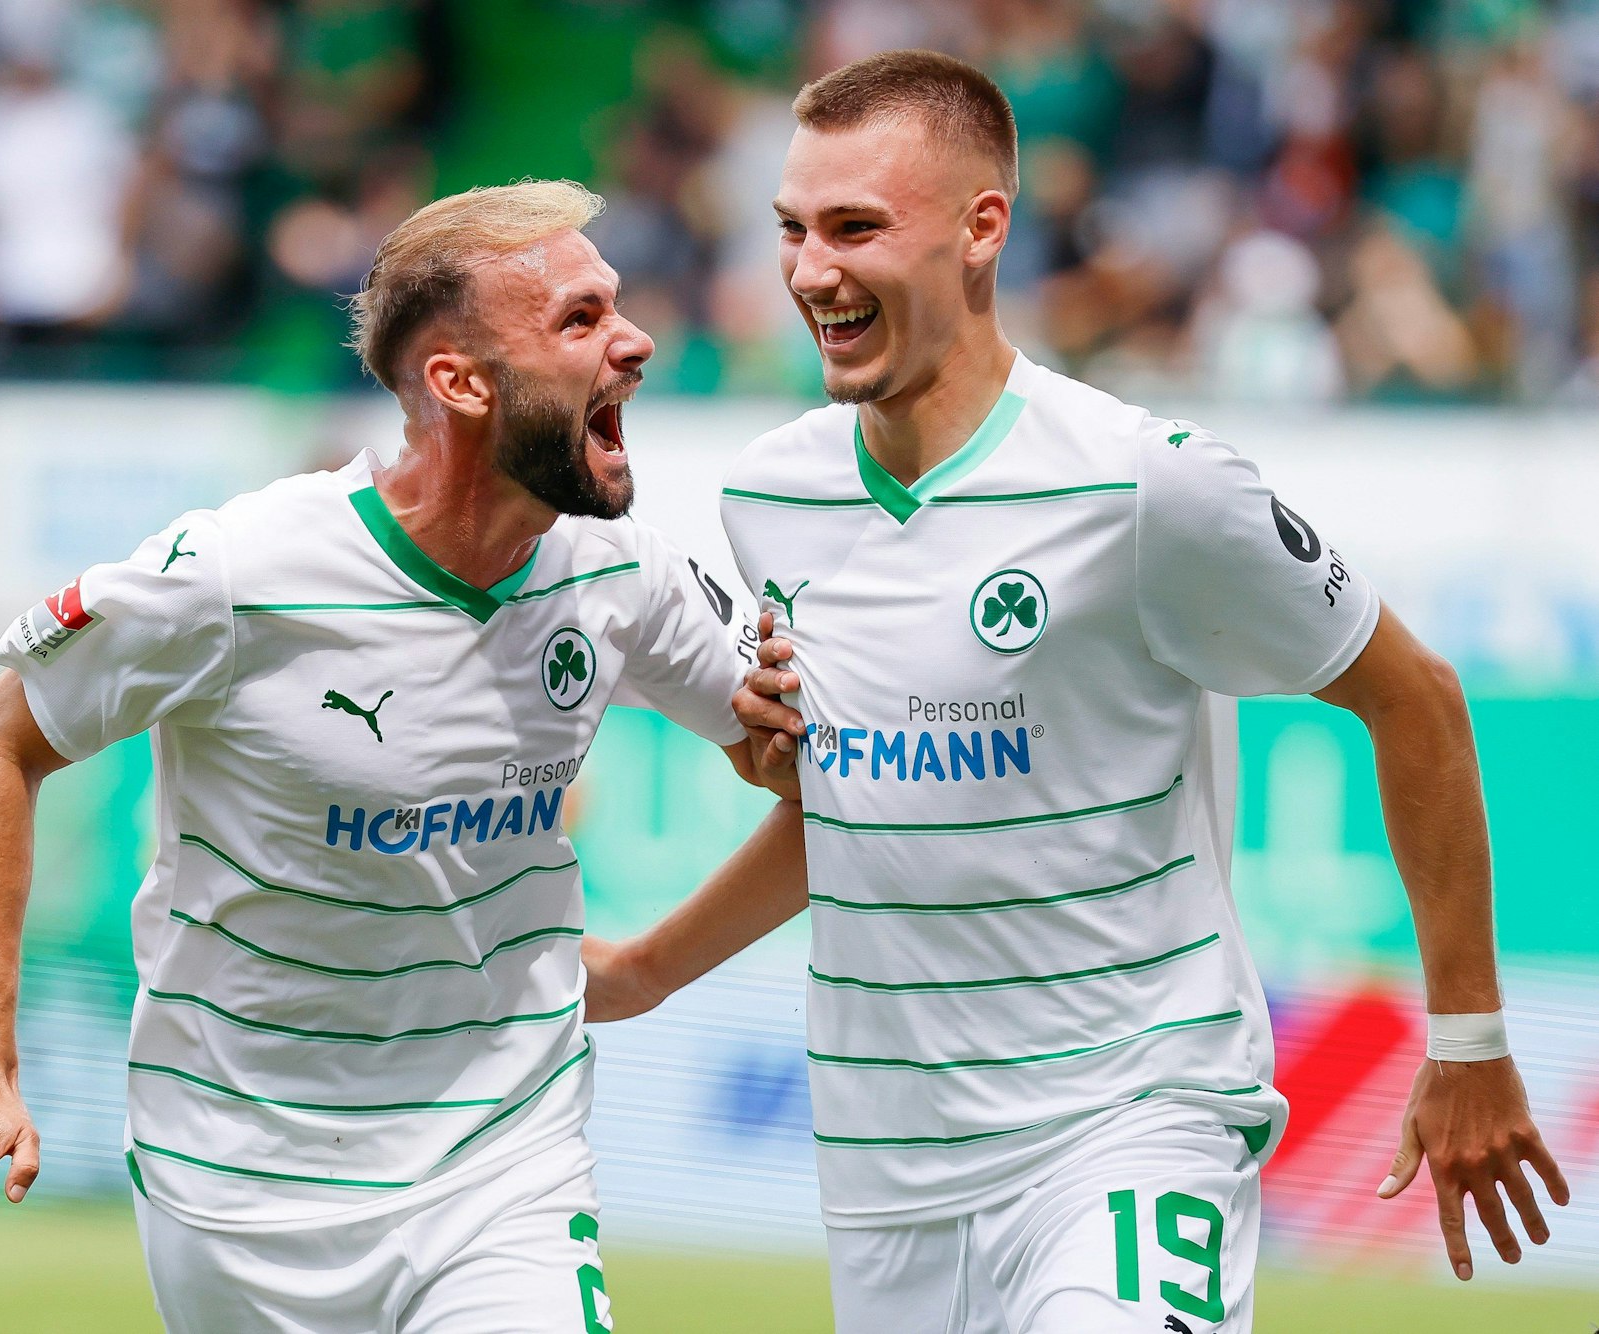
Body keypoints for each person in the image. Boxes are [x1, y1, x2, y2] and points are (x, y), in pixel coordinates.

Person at [583, 51, 1568, 1332]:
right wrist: (650, 969)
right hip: (886, 1166)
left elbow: (1418, 698)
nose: (812, 270)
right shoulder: (770, 495)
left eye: (857, 227)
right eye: (794, 229)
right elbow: (860, 806)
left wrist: (1472, 1040)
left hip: (1129, 1129)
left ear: (984, 228)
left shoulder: (1151, 486)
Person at [0, 178, 805, 1333]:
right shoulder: (237, 573)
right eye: (580, 319)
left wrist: (648, 965)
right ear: (460, 382)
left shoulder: (621, 567)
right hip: (238, 1185)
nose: (633, 342)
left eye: (615, 305)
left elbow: (800, 764)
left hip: (501, 1170)